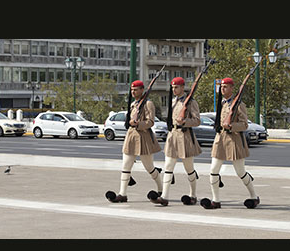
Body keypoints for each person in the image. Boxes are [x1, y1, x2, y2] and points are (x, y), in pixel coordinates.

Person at [200, 77, 260, 209]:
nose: (222, 88)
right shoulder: (222, 103)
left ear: (232, 88)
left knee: (240, 172)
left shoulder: (239, 104)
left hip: (234, 140)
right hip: (220, 139)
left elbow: (244, 125)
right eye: (221, 86)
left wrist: (231, 126)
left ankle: (254, 197)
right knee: (213, 170)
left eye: (225, 86)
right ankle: (216, 200)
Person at [148, 77, 202, 206]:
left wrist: (185, 122)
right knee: (168, 167)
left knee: (189, 168)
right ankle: (164, 196)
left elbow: (197, 121)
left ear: (183, 87)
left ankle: (193, 194)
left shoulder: (191, 102)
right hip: (173, 135)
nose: (174, 90)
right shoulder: (173, 101)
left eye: (176, 87)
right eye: (172, 87)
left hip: (185, 136)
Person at [105, 80, 162, 203]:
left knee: (149, 167)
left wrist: (138, 124)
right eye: (132, 90)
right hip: (131, 136)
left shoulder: (148, 104)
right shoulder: (133, 104)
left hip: (143, 137)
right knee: (126, 165)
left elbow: (151, 122)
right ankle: (122, 194)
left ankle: (160, 189)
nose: (133, 92)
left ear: (142, 90)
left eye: (135, 90)